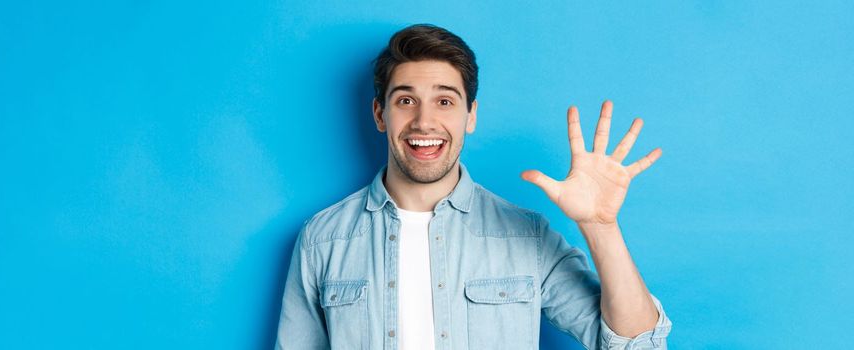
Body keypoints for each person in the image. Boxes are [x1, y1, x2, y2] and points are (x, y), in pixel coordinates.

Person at [275, 23, 672, 350]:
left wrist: (601, 227)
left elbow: (640, 346)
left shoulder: (527, 237)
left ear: (471, 115)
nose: (424, 122)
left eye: (445, 102)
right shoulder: (322, 241)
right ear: (380, 114)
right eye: (406, 101)